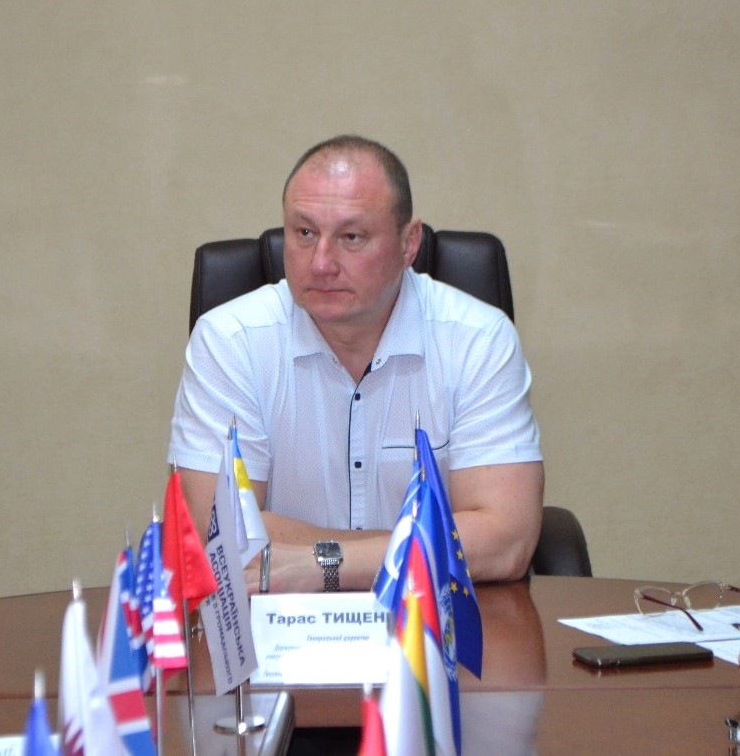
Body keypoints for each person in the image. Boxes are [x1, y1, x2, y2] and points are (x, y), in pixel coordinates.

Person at [167, 135, 544, 594]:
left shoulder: (477, 340)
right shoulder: (231, 341)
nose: (321, 264)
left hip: (434, 622)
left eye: (351, 237)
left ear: (408, 243)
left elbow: (506, 542)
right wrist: (432, 544)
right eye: (304, 233)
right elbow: (219, 538)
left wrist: (323, 564)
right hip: (278, 624)